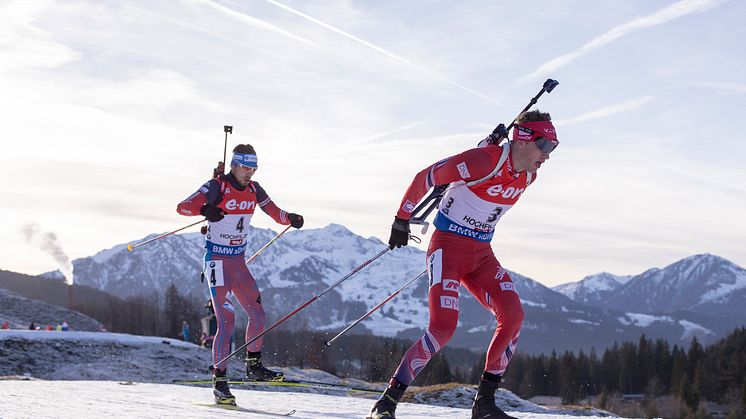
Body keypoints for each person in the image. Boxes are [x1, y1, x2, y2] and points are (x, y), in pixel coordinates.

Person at [368, 111, 559, 419]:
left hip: (482, 253)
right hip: (447, 248)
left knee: (513, 315)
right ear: (522, 139)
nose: (548, 155)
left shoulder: (528, 174)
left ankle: (484, 405)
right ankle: (386, 403)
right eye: (545, 145)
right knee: (443, 328)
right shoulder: (484, 159)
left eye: (553, 147)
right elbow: (425, 177)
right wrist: (401, 219)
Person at [177, 143, 304, 406]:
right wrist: (205, 210)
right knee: (227, 320)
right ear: (234, 165)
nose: (250, 173)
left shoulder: (255, 189)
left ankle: (254, 366)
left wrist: (290, 217)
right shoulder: (216, 187)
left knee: (258, 314)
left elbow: (275, 212)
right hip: (216, 261)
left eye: (254, 168)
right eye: (246, 168)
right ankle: (220, 382)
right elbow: (183, 207)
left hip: (238, 262)